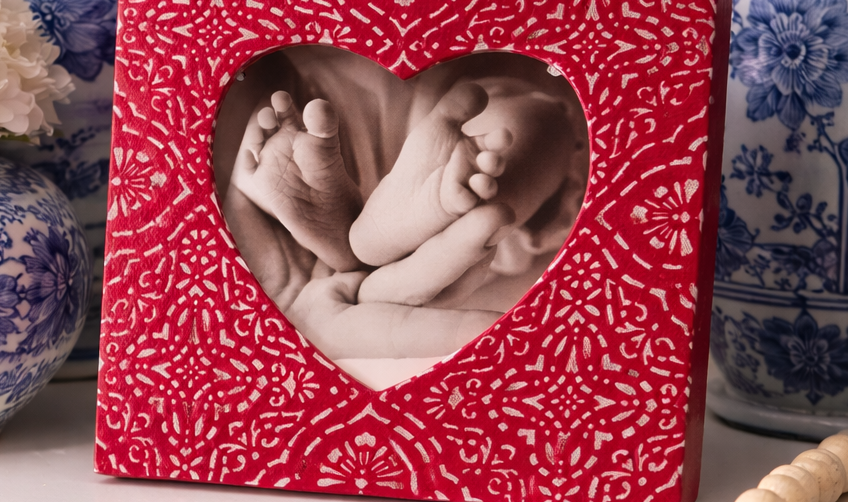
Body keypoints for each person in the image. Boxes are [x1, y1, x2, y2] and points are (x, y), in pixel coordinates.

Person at [217, 48, 586, 366]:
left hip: (358, 119)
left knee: (503, 167)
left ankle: (377, 235)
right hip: (370, 111)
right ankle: (381, 230)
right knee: (538, 125)